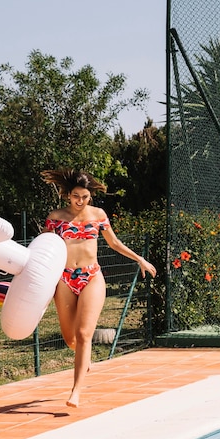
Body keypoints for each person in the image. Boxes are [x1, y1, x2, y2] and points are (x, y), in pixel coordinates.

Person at [41, 168, 156, 408]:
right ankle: (85, 357)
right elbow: (43, 249)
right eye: (75, 196)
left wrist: (140, 259)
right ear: (67, 194)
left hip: (91, 276)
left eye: (84, 196)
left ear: (90, 195)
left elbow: (114, 243)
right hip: (64, 279)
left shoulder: (98, 215)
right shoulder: (55, 217)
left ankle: (75, 391)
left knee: (84, 335)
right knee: (71, 339)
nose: (80, 201)